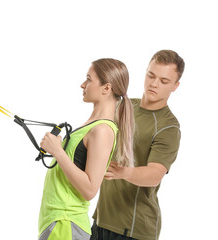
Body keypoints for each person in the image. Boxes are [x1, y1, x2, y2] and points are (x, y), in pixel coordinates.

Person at [91, 50, 185, 240]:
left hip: (134, 229)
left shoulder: (168, 127)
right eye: (151, 75)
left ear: (175, 86)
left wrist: (122, 172)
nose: (154, 84)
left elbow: (155, 174)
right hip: (101, 218)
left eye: (164, 81)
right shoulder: (123, 106)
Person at [37, 58, 135, 240]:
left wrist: (58, 151)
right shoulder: (92, 126)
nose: (83, 84)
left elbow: (90, 189)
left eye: (89, 79)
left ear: (107, 88)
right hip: (58, 222)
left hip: (66, 223)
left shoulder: (103, 131)